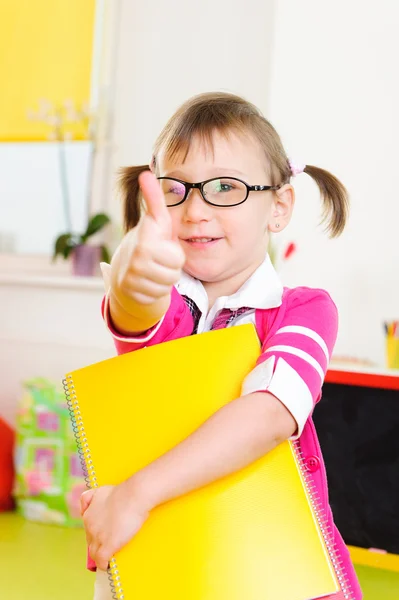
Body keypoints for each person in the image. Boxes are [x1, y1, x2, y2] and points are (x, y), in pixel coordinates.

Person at [82, 91, 362, 600]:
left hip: (272, 566)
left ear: (278, 207)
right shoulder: (167, 307)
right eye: (176, 189)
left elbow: (270, 414)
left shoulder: (302, 310)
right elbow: (135, 312)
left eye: (225, 188)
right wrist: (130, 280)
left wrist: (134, 497)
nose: (195, 211)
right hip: (162, 564)